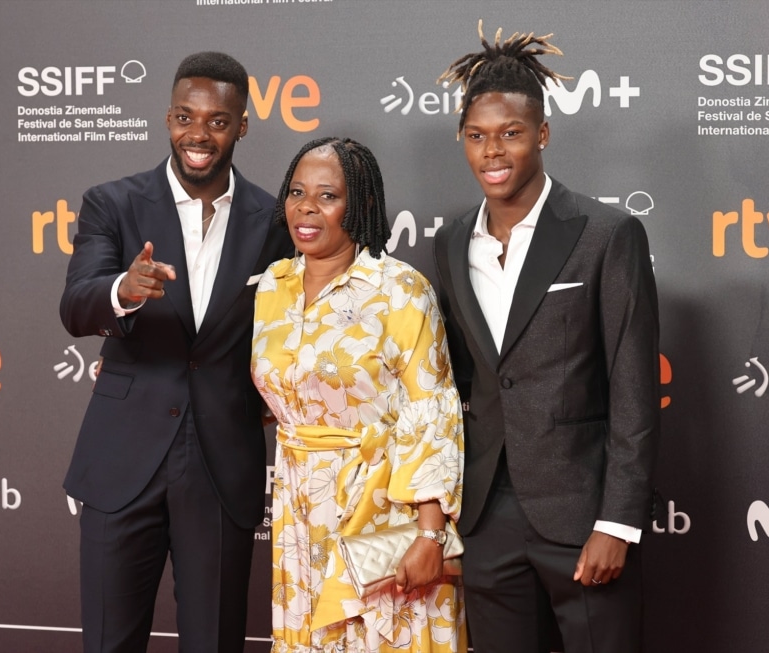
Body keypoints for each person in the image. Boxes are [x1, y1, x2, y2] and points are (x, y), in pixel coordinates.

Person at [433, 23, 660, 653]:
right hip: (486, 519)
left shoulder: (605, 234)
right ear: (461, 140)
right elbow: (462, 379)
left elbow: (633, 390)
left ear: (542, 134)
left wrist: (617, 521)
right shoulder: (451, 241)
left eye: (510, 134)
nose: (492, 152)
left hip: (583, 513)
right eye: (477, 137)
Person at [59, 51, 294, 653]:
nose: (199, 134)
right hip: (122, 458)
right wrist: (123, 290)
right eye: (186, 117)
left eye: (218, 121)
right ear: (168, 119)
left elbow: (287, 328)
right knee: (111, 641)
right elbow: (76, 306)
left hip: (221, 462)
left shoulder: (274, 220)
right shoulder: (112, 203)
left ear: (242, 126)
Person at [251, 137, 467, 652]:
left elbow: (431, 412)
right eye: (297, 192)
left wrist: (429, 535)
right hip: (299, 508)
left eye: (327, 196)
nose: (307, 207)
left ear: (361, 205)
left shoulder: (399, 289)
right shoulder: (272, 285)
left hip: (381, 506)